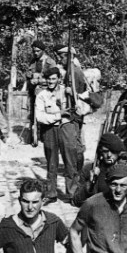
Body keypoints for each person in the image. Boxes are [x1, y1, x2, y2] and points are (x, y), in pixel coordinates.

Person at [35, 66, 81, 203]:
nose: (50, 81)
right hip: (49, 129)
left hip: (67, 127)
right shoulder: (41, 95)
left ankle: (72, 194)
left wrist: (73, 94)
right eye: (48, 79)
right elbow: (40, 117)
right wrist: (58, 115)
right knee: (51, 162)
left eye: (53, 79)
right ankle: (51, 193)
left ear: (59, 79)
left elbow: (79, 107)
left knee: (70, 161)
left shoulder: (67, 91)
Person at [72, 132, 127, 207]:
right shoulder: (89, 169)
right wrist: (90, 184)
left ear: (118, 153)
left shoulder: (124, 172)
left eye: (112, 151)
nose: (109, 155)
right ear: (101, 152)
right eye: (105, 151)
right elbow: (76, 201)